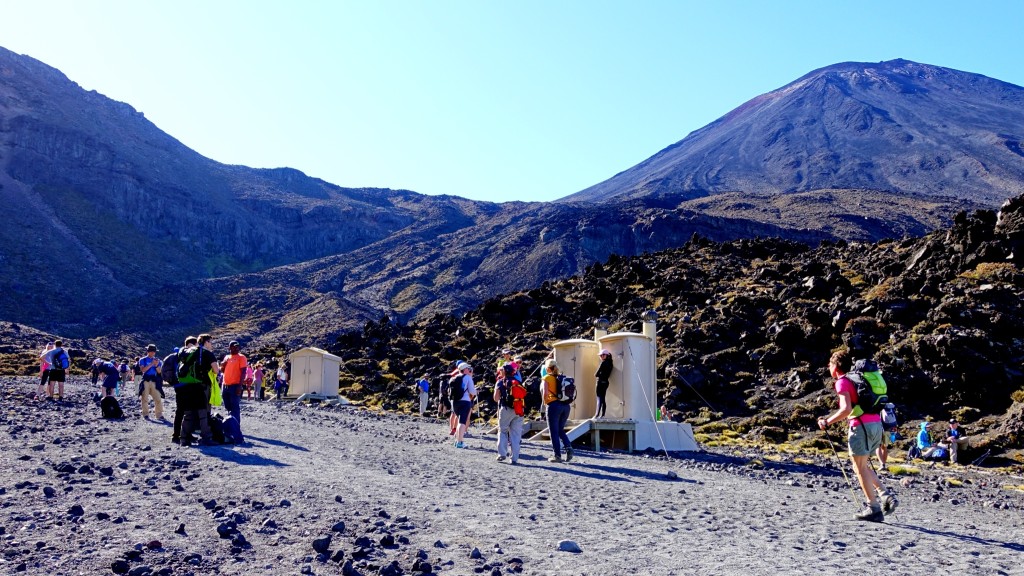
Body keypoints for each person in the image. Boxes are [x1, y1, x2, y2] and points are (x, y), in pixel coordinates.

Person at [817, 349, 897, 522]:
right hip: (876, 424)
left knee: (859, 467)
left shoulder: (842, 382)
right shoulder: (858, 379)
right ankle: (885, 496)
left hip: (861, 426)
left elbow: (846, 409)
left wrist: (827, 422)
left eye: (830, 364)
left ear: (835, 366)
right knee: (861, 466)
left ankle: (873, 508)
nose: (828, 367)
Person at [179, 334, 219, 446]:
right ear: (206, 342)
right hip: (202, 386)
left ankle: (184, 438)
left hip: (188, 386)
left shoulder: (190, 351)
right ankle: (205, 437)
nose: (211, 344)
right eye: (210, 342)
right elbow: (216, 370)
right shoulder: (208, 354)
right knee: (203, 412)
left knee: (189, 413)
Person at [543, 359, 573, 463]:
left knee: (553, 432)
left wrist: (545, 404)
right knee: (560, 429)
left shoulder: (547, 378)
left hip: (554, 406)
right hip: (566, 406)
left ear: (548, 368)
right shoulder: (561, 377)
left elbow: (545, 393)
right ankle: (568, 447)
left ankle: (557, 456)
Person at [493, 363, 524, 464]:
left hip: (506, 409)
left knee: (503, 430)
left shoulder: (500, 382)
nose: (500, 372)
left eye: (501, 370)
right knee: (515, 434)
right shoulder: (518, 382)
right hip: (518, 409)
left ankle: (502, 454)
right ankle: (514, 458)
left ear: (504, 371)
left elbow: (496, 398)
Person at [220, 340, 249, 441]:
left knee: (235, 407)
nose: (236, 348)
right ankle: (230, 425)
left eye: (237, 346)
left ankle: (235, 429)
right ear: (229, 348)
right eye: (234, 346)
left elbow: (243, 372)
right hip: (225, 385)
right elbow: (222, 370)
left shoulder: (242, 357)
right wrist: (223, 364)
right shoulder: (227, 357)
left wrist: (240, 386)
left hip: (235, 385)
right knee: (228, 406)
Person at [452, 362, 477, 449]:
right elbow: (472, 391)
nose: (469, 370)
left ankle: (457, 440)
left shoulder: (454, 377)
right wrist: (476, 391)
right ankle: (460, 442)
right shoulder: (468, 378)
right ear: (465, 369)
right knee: (462, 422)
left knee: (459, 421)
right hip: (465, 401)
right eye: (467, 368)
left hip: (455, 402)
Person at [137, 344, 164, 419]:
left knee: (158, 397)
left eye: (154, 351)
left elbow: (159, 372)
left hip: (154, 380)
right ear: (148, 351)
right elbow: (143, 370)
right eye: (151, 351)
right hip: (146, 380)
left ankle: (159, 414)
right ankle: (145, 414)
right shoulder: (143, 360)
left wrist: (156, 365)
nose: (153, 353)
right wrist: (152, 364)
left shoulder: (158, 361)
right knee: (144, 398)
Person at [876, 402, 899, 468]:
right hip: (891, 428)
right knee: (884, 447)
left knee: (877, 446)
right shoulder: (890, 406)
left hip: (882, 428)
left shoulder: (878, 406)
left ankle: (882, 464)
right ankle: (884, 464)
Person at [594, 348, 613, 419]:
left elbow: (596, 374)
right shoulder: (611, 363)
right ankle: (602, 415)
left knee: (599, 398)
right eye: (600, 355)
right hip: (606, 382)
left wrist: (599, 374)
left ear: (607, 355)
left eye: (603, 355)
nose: (601, 356)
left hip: (600, 382)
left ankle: (596, 415)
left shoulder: (603, 363)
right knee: (603, 398)